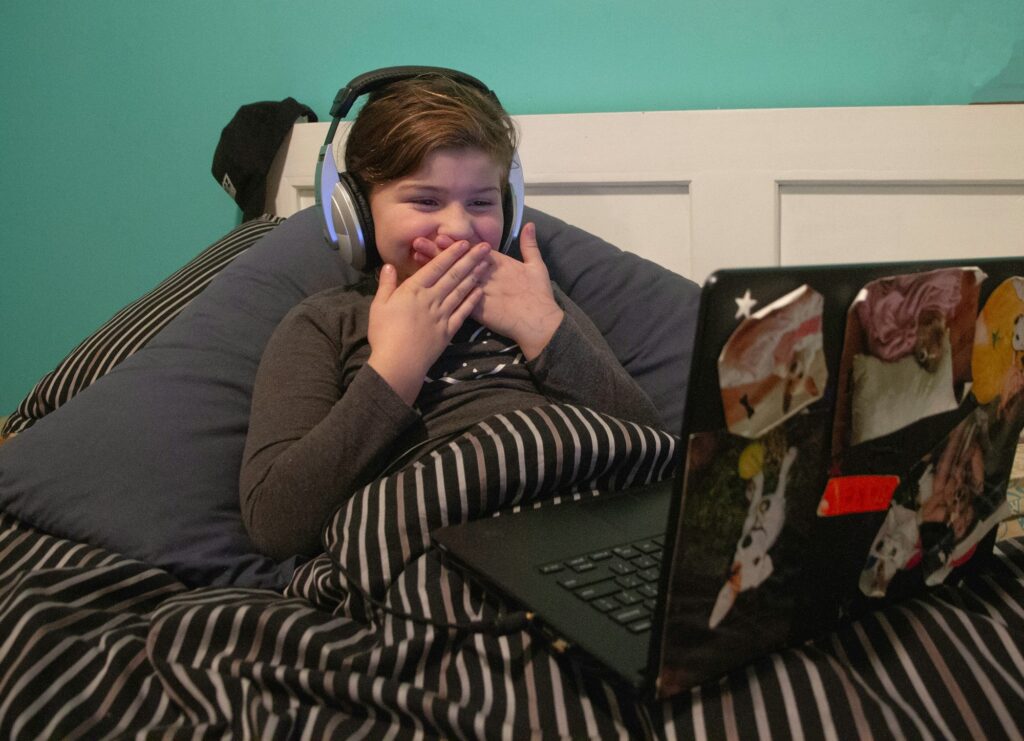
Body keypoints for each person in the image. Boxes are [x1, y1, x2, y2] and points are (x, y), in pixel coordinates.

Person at [240, 73, 661, 561]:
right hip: (440, 544)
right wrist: (395, 371)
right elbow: (275, 524)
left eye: (481, 202)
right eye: (425, 200)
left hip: (584, 529)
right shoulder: (327, 323)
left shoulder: (533, 296)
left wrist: (543, 329)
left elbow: (648, 448)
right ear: (357, 212)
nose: (459, 228)